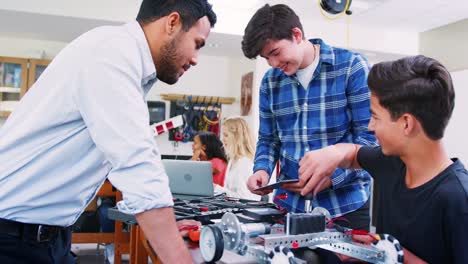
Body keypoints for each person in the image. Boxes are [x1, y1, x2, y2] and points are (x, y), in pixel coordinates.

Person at [0, 0, 216, 263]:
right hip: (11, 239)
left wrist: (166, 226)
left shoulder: (124, 61)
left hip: (48, 237)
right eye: (197, 43)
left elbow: (119, 160)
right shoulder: (111, 55)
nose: (196, 59)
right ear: (172, 23)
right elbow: (137, 164)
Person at [297, 55, 468, 264]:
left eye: (375, 117)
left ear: (406, 123)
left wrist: (395, 253)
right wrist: (333, 153)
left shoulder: (458, 197)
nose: (370, 126)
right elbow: (352, 153)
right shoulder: (390, 163)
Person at [242, 4, 376, 231]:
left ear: (297, 35)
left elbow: (371, 142)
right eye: (267, 58)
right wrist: (262, 170)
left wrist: (332, 176)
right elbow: (268, 139)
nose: (273, 64)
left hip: (345, 206)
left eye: (275, 53)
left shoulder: (351, 68)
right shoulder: (270, 83)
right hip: (288, 206)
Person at [215, 117, 261, 200]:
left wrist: (216, 188)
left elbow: (246, 198)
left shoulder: (244, 163)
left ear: (237, 137)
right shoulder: (233, 160)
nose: (222, 139)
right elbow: (228, 192)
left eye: (226, 135)